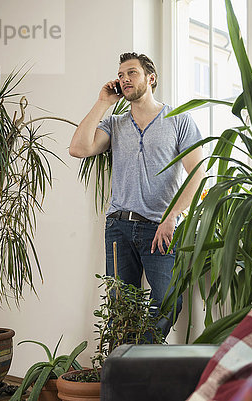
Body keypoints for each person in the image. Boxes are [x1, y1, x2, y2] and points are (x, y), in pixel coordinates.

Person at [69, 52, 205, 340]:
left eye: (131, 72)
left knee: (168, 302)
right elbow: (78, 148)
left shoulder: (179, 120)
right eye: (120, 75)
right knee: (120, 308)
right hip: (118, 227)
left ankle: (140, 359)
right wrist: (103, 102)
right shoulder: (115, 124)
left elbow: (197, 175)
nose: (124, 78)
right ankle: (126, 371)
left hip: (160, 227)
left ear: (150, 78)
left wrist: (172, 217)